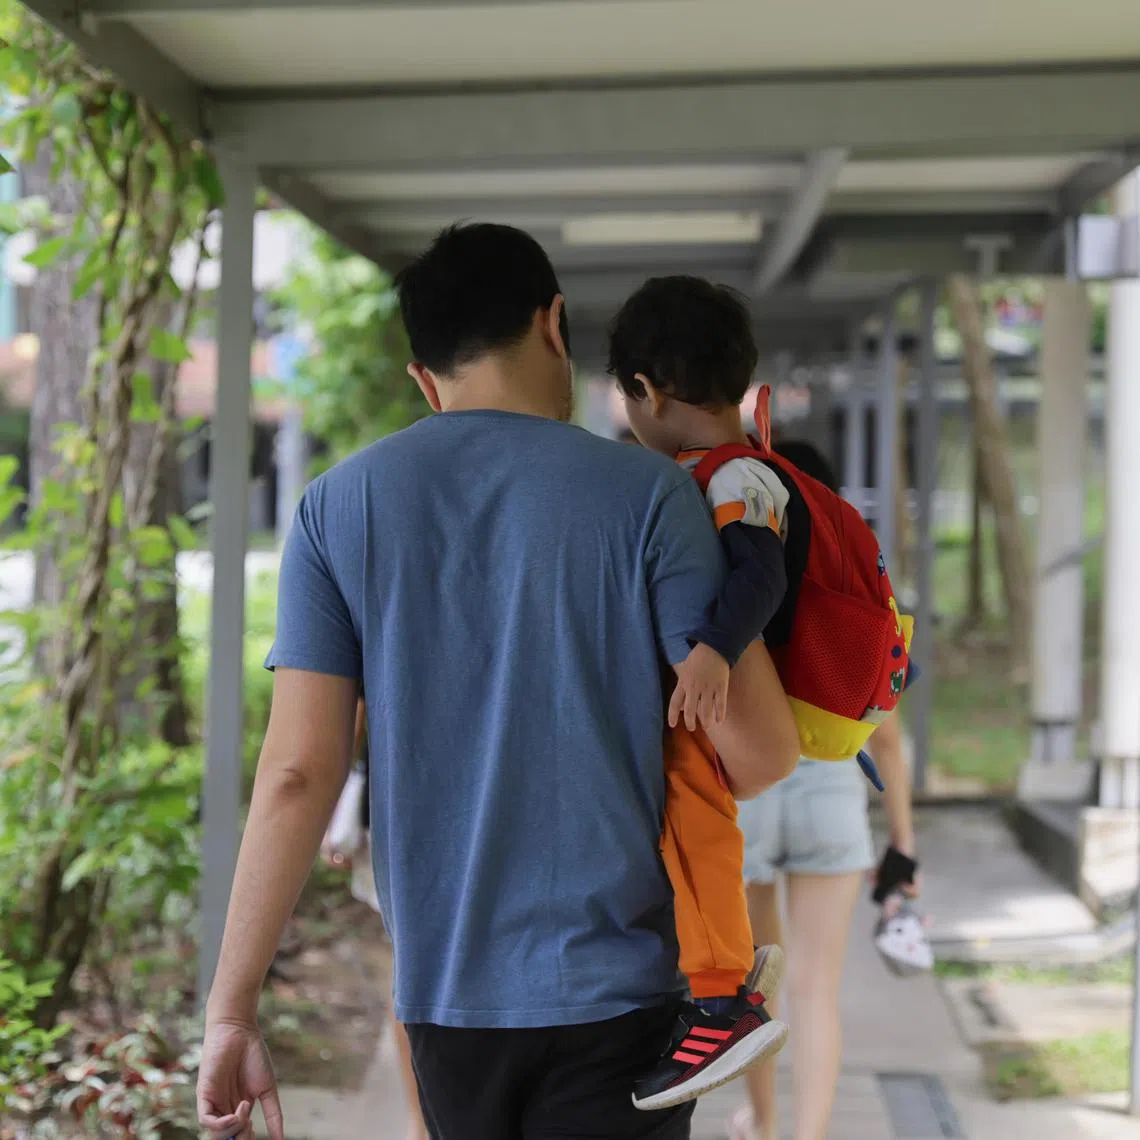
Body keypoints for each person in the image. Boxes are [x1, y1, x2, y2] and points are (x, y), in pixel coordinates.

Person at [195, 223, 800, 1140]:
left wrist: (231, 1011)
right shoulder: (649, 496)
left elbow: (295, 775)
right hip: (622, 998)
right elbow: (756, 756)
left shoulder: (334, 510)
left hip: (446, 997)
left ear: (423, 378)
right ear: (554, 323)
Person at [608, 277, 795, 1110]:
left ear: (646, 389)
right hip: (702, 693)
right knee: (688, 821)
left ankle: (724, 1000)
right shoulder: (707, 470)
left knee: (693, 817)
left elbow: (761, 573)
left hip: (712, 697)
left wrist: (715, 652)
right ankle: (724, 968)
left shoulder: (731, 475)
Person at [728, 439, 919, 1140]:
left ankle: (765, 1123)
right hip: (832, 795)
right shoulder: (852, 581)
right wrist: (903, 846)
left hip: (748, 793)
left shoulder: (734, 572)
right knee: (816, 990)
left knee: (759, 988)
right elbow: (889, 736)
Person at [320, 700, 429, 1140]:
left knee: (410, 960)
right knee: (410, 963)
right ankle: (421, 1118)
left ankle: (421, 1120)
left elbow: (351, 704)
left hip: (397, 792)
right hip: (404, 793)